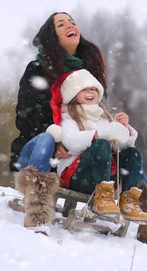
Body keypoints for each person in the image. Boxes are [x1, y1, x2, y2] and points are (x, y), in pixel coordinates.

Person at [45, 69, 147, 225]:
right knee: (100, 144)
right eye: (85, 88)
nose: (91, 91)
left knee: (133, 153)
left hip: (105, 179)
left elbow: (123, 146)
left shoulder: (104, 117)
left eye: (94, 89)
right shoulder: (69, 117)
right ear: (74, 93)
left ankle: (128, 200)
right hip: (77, 175)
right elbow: (71, 142)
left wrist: (124, 128)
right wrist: (99, 134)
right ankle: (103, 196)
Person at [9, 12, 108, 174]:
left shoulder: (88, 71)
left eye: (72, 22)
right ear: (52, 37)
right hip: (38, 149)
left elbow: (94, 115)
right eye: (61, 24)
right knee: (46, 139)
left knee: (120, 144)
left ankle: (138, 195)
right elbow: (25, 118)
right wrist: (57, 141)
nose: (70, 25)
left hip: (74, 153)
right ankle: (37, 192)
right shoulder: (37, 69)